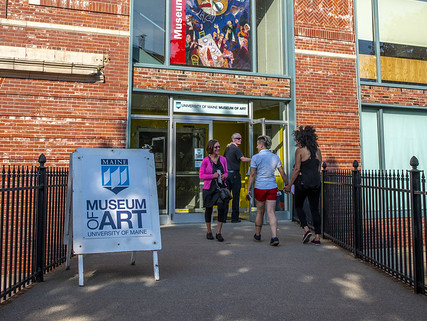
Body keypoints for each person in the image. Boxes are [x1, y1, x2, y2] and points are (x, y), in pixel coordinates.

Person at [247, 135, 288, 246]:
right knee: (271, 212)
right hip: (272, 187)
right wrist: (287, 184)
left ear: (261, 145)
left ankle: (257, 234)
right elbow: (282, 173)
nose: (256, 146)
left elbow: (252, 174)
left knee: (260, 212)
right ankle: (274, 236)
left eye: (257, 144)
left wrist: (248, 189)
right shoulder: (275, 157)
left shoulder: (255, 157)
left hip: (260, 187)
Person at [284, 126, 322, 245]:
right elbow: (319, 167)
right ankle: (317, 237)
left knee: (298, 206)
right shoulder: (317, 151)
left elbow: (296, 169)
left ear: (301, 139)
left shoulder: (300, 151)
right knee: (315, 209)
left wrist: (289, 185)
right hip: (316, 182)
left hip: (302, 182)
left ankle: (306, 229)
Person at [199, 139, 229, 242]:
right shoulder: (205, 160)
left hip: (220, 188)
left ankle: (219, 232)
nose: (218, 149)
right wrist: (213, 176)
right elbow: (201, 175)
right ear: (211, 148)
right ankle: (208, 231)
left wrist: (224, 176)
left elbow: (226, 172)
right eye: (216, 147)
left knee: (221, 208)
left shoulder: (223, 159)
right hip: (209, 188)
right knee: (209, 209)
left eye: (219, 147)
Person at [223, 133, 251, 223]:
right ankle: (234, 218)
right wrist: (254, 159)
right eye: (238, 138)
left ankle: (223, 218)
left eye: (241, 138)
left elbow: (223, 160)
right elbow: (243, 159)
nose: (240, 140)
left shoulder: (228, 148)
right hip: (234, 175)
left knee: (226, 197)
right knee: (235, 197)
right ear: (233, 139)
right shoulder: (236, 149)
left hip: (227, 175)